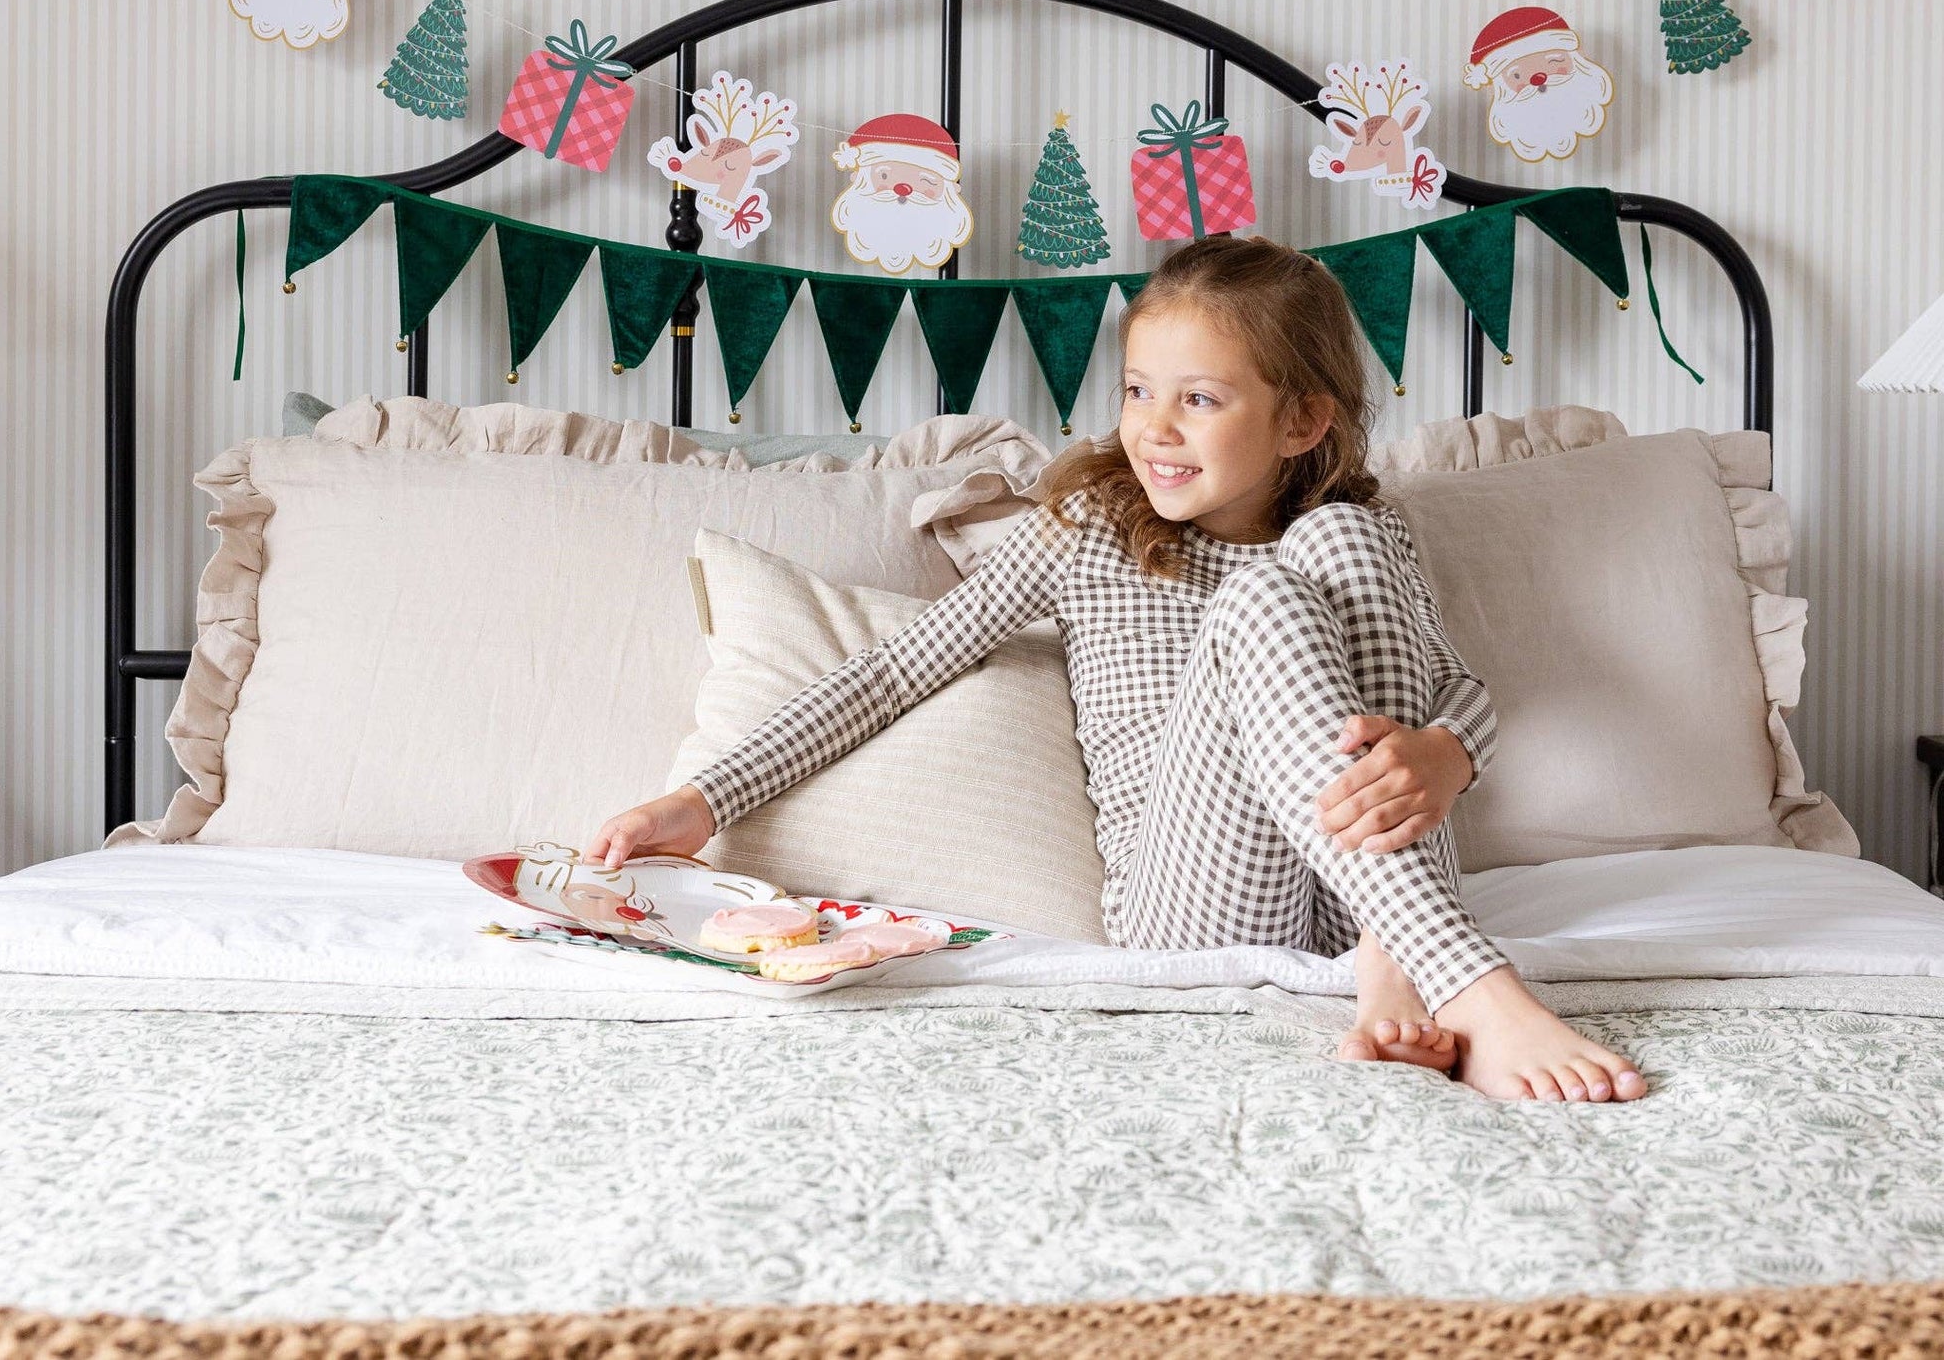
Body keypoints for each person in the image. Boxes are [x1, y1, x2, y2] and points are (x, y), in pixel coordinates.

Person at [589, 236, 1647, 1103]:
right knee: (1266, 593)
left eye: (1199, 398)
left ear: (1300, 418)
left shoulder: (1362, 529)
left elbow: (1455, 685)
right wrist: (699, 798)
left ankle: (1391, 948)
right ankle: (1466, 979)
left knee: (1339, 540)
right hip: (1189, 906)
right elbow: (892, 671)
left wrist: (1441, 754)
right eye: (1140, 388)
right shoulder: (1089, 529)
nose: (1153, 426)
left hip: (1352, 891)